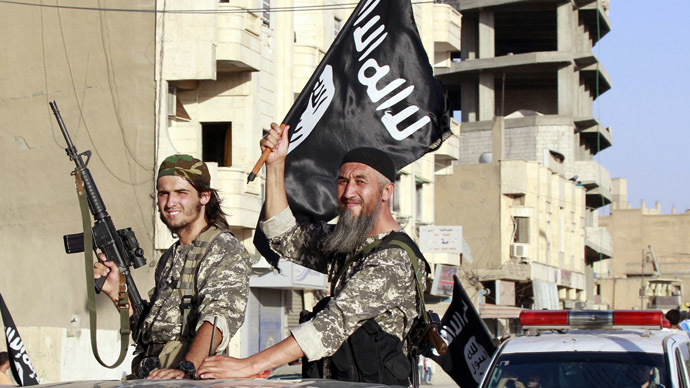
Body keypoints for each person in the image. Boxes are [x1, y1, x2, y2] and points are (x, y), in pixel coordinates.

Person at [198, 123, 428, 385]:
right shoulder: (351, 242)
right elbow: (284, 237)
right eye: (343, 181)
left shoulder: (393, 258)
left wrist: (248, 366)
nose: (348, 192)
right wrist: (275, 164)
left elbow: (331, 324)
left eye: (360, 182)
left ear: (387, 191)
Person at [93, 154, 251, 379]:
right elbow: (148, 334)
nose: (169, 203)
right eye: (163, 193)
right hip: (151, 377)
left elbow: (218, 319)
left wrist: (186, 370)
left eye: (181, 193)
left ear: (204, 196)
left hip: (189, 381)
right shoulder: (170, 256)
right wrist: (117, 293)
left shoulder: (222, 248)